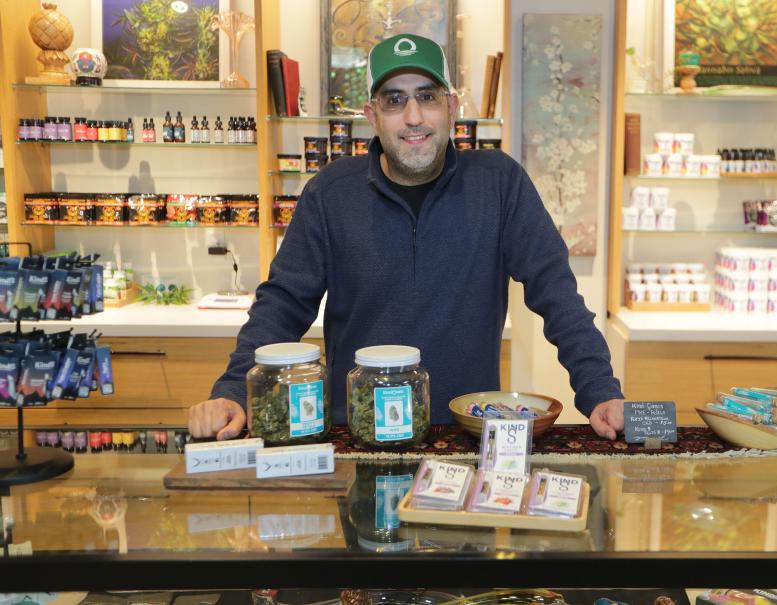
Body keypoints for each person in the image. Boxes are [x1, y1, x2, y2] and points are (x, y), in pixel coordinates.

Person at [188, 33, 625, 441]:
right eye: (395, 101)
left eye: (427, 98)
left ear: (452, 108)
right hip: (357, 434)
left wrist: (599, 389)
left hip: (467, 435)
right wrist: (231, 389)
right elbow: (282, 303)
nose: (414, 117)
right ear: (371, 115)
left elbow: (556, 292)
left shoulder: (499, 182)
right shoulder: (330, 191)